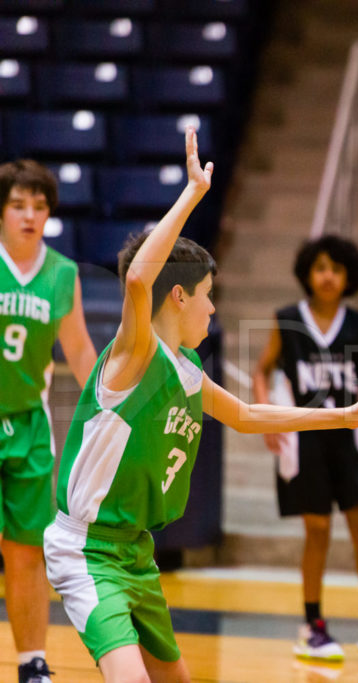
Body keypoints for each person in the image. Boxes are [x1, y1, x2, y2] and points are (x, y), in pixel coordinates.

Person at [42, 128, 358, 682]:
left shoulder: (187, 372)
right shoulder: (135, 355)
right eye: (208, 295)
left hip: (137, 552)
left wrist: (345, 415)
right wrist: (192, 193)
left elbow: (246, 414)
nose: (213, 310)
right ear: (179, 295)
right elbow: (141, 275)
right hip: (89, 551)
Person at [252, 235, 358, 664]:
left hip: (350, 437)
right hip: (304, 438)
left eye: (336, 269)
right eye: (320, 267)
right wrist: (265, 416)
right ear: (307, 273)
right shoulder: (286, 320)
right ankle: (312, 625)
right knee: (316, 531)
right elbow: (261, 370)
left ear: (348, 277)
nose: (327, 276)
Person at [0, 159, 98, 683]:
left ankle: (30, 660)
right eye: (18, 205)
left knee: (25, 549)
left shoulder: (62, 273)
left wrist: (111, 405)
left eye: (38, 207)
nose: (29, 215)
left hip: (29, 426)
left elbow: (79, 350)